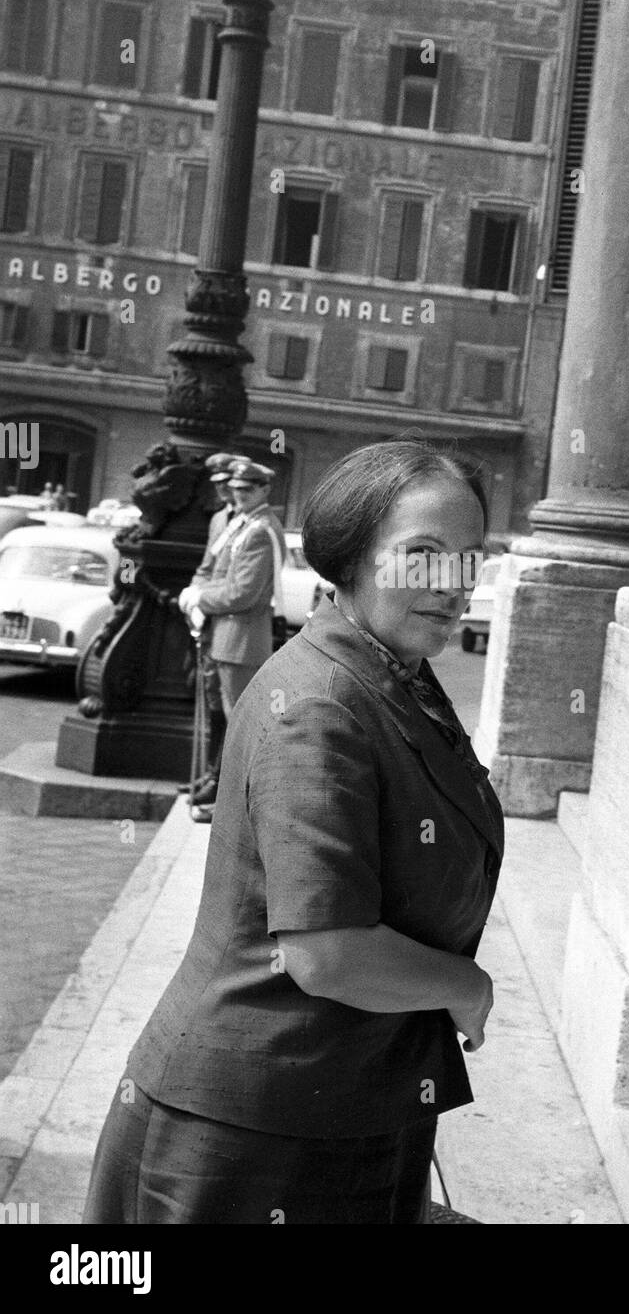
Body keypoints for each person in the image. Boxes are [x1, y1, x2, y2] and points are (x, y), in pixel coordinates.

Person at [83, 439, 502, 1225]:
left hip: (345, 1107)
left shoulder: (397, 675)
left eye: (470, 558)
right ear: (350, 557)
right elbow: (326, 951)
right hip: (251, 1142)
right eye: (423, 554)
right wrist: (465, 986)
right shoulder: (319, 706)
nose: (454, 584)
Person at [177, 458, 285, 820]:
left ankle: (235, 807)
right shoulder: (244, 524)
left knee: (241, 728)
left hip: (241, 637)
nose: (237, 495)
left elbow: (243, 593)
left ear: (264, 490)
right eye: (234, 489)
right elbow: (217, 571)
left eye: (246, 490)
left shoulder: (259, 529)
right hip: (227, 635)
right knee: (230, 721)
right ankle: (226, 799)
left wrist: (200, 598)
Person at [177, 452, 250, 803]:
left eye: (229, 485)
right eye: (219, 485)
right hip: (212, 623)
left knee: (229, 707)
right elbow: (207, 567)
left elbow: (243, 589)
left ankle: (219, 779)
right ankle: (210, 772)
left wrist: (202, 599)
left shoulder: (253, 525)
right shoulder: (222, 519)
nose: (225, 492)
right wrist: (193, 595)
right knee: (211, 701)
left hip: (234, 625)